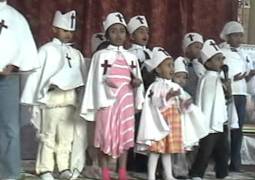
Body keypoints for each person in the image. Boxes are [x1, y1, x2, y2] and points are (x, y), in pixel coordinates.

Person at [21, 10, 87, 180]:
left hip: (70, 101)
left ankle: (63, 166)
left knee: (66, 137)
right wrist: (43, 90)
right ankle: (45, 168)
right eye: (65, 30)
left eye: (70, 31)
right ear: (54, 29)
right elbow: (38, 76)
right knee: (48, 136)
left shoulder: (75, 54)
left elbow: (81, 76)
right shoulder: (46, 50)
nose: (68, 34)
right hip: (52, 102)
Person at [80, 12, 144, 180]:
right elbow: (96, 80)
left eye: (122, 31)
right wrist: (105, 83)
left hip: (126, 102)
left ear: (127, 34)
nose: (118, 35)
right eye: (114, 31)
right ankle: (105, 172)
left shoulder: (131, 57)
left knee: (124, 137)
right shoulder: (100, 56)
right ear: (107, 34)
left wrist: (137, 84)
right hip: (107, 103)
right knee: (105, 137)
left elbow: (136, 80)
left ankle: (122, 171)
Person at [137, 47, 195, 180]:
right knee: (156, 150)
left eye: (172, 65)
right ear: (158, 69)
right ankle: (151, 175)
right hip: (159, 123)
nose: (172, 69)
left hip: (172, 121)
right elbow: (155, 103)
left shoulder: (174, 85)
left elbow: (182, 101)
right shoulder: (155, 86)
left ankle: (168, 174)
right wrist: (167, 97)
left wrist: (185, 104)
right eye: (168, 65)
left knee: (168, 150)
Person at [0, 0, 39, 179]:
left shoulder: (16, 18)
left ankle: (9, 174)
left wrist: (14, 65)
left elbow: (26, 50)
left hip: (7, 79)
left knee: (9, 127)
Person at [190, 39, 231, 179]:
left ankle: (222, 173)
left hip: (220, 121)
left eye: (222, 59)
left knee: (223, 150)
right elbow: (206, 102)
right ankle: (196, 173)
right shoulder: (206, 78)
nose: (221, 62)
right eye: (217, 59)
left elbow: (226, 98)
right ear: (207, 63)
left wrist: (227, 86)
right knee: (205, 150)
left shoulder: (220, 78)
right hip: (209, 122)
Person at [219, 21, 255, 172]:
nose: (239, 39)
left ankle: (235, 162)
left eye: (241, 35)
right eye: (236, 35)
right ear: (227, 37)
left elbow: (246, 74)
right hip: (227, 93)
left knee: (238, 129)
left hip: (241, 93)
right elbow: (220, 73)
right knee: (224, 127)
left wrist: (249, 76)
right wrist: (233, 79)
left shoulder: (244, 54)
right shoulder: (221, 52)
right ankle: (221, 161)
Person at [172, 57, 208, 178]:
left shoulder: (184, 91)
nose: (181, 80)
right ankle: (178, 172)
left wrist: (189, 103)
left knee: (186, 149)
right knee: (176, 151)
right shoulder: (171, 89)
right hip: (174, 125)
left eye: (184, 77)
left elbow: (189, 103)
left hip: (185, 125)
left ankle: (185, 170)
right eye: (178, 77)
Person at [126, 14, 153, 173]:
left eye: (147, 32)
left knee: (146, 130)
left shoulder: (152, 54)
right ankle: (129, 162)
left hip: (150, 99)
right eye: (141, 31)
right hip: (134, 97)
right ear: (132, 35)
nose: (145, 35)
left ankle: (143, 162)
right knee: (133, 129)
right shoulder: (129, 54)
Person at [181, 32, 206, 98]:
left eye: (201, 48)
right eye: (197, 47)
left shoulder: (201, 67)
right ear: (187, 48)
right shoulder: (180, 63)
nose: (199, 50)